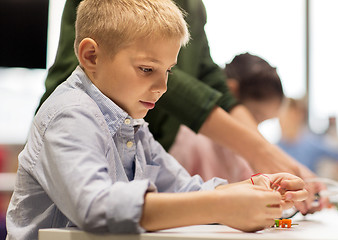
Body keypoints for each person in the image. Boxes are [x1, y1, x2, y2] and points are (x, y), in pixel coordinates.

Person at [6, 1, 308, 239]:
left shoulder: (133, 124)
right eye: (147, 69)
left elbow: (185, 189)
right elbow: (97, 208)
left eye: (169, 72)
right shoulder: (69, 115)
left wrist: (256, 188)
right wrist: (223, 205)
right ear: (91, 56)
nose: (163, 87)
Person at [170, 53, 285, 182]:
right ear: (232, 91)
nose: (255, 129)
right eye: (256, 116)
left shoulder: (244, 150)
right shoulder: (193, 141)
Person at [278, 98, 338, 177]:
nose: (282, 119)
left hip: (307, 186)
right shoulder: (274, 148)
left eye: (287, 114)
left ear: (298, 115)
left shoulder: (312, 143)